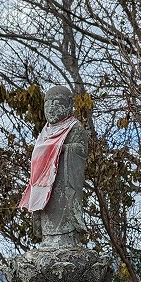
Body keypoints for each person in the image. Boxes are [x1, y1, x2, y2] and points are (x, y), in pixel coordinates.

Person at [19, 85, 89, 245]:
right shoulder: (45, 131)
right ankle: (48, 238)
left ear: (70, 104)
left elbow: (81, 150)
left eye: (57, 102)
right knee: (46, 204)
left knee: (62, 205)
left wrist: (60, 149)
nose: (51, 108)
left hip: (64, 180)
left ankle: (66, 238)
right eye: (47, 103)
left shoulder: (75, 128)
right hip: (45, 181)